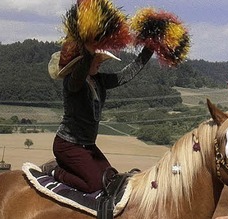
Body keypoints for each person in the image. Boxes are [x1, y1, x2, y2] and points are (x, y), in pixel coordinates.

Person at [47, 44, 153, 193]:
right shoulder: (72, 82)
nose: (100, 62)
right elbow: (80, 73)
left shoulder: (98, 80)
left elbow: (124, 75)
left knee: (111, 179)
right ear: (82, 63)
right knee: (95, 185)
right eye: (95, 59)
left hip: (88, 146)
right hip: (68, 145)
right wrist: (88, 52)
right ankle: (55, 170)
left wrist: (149, 50)